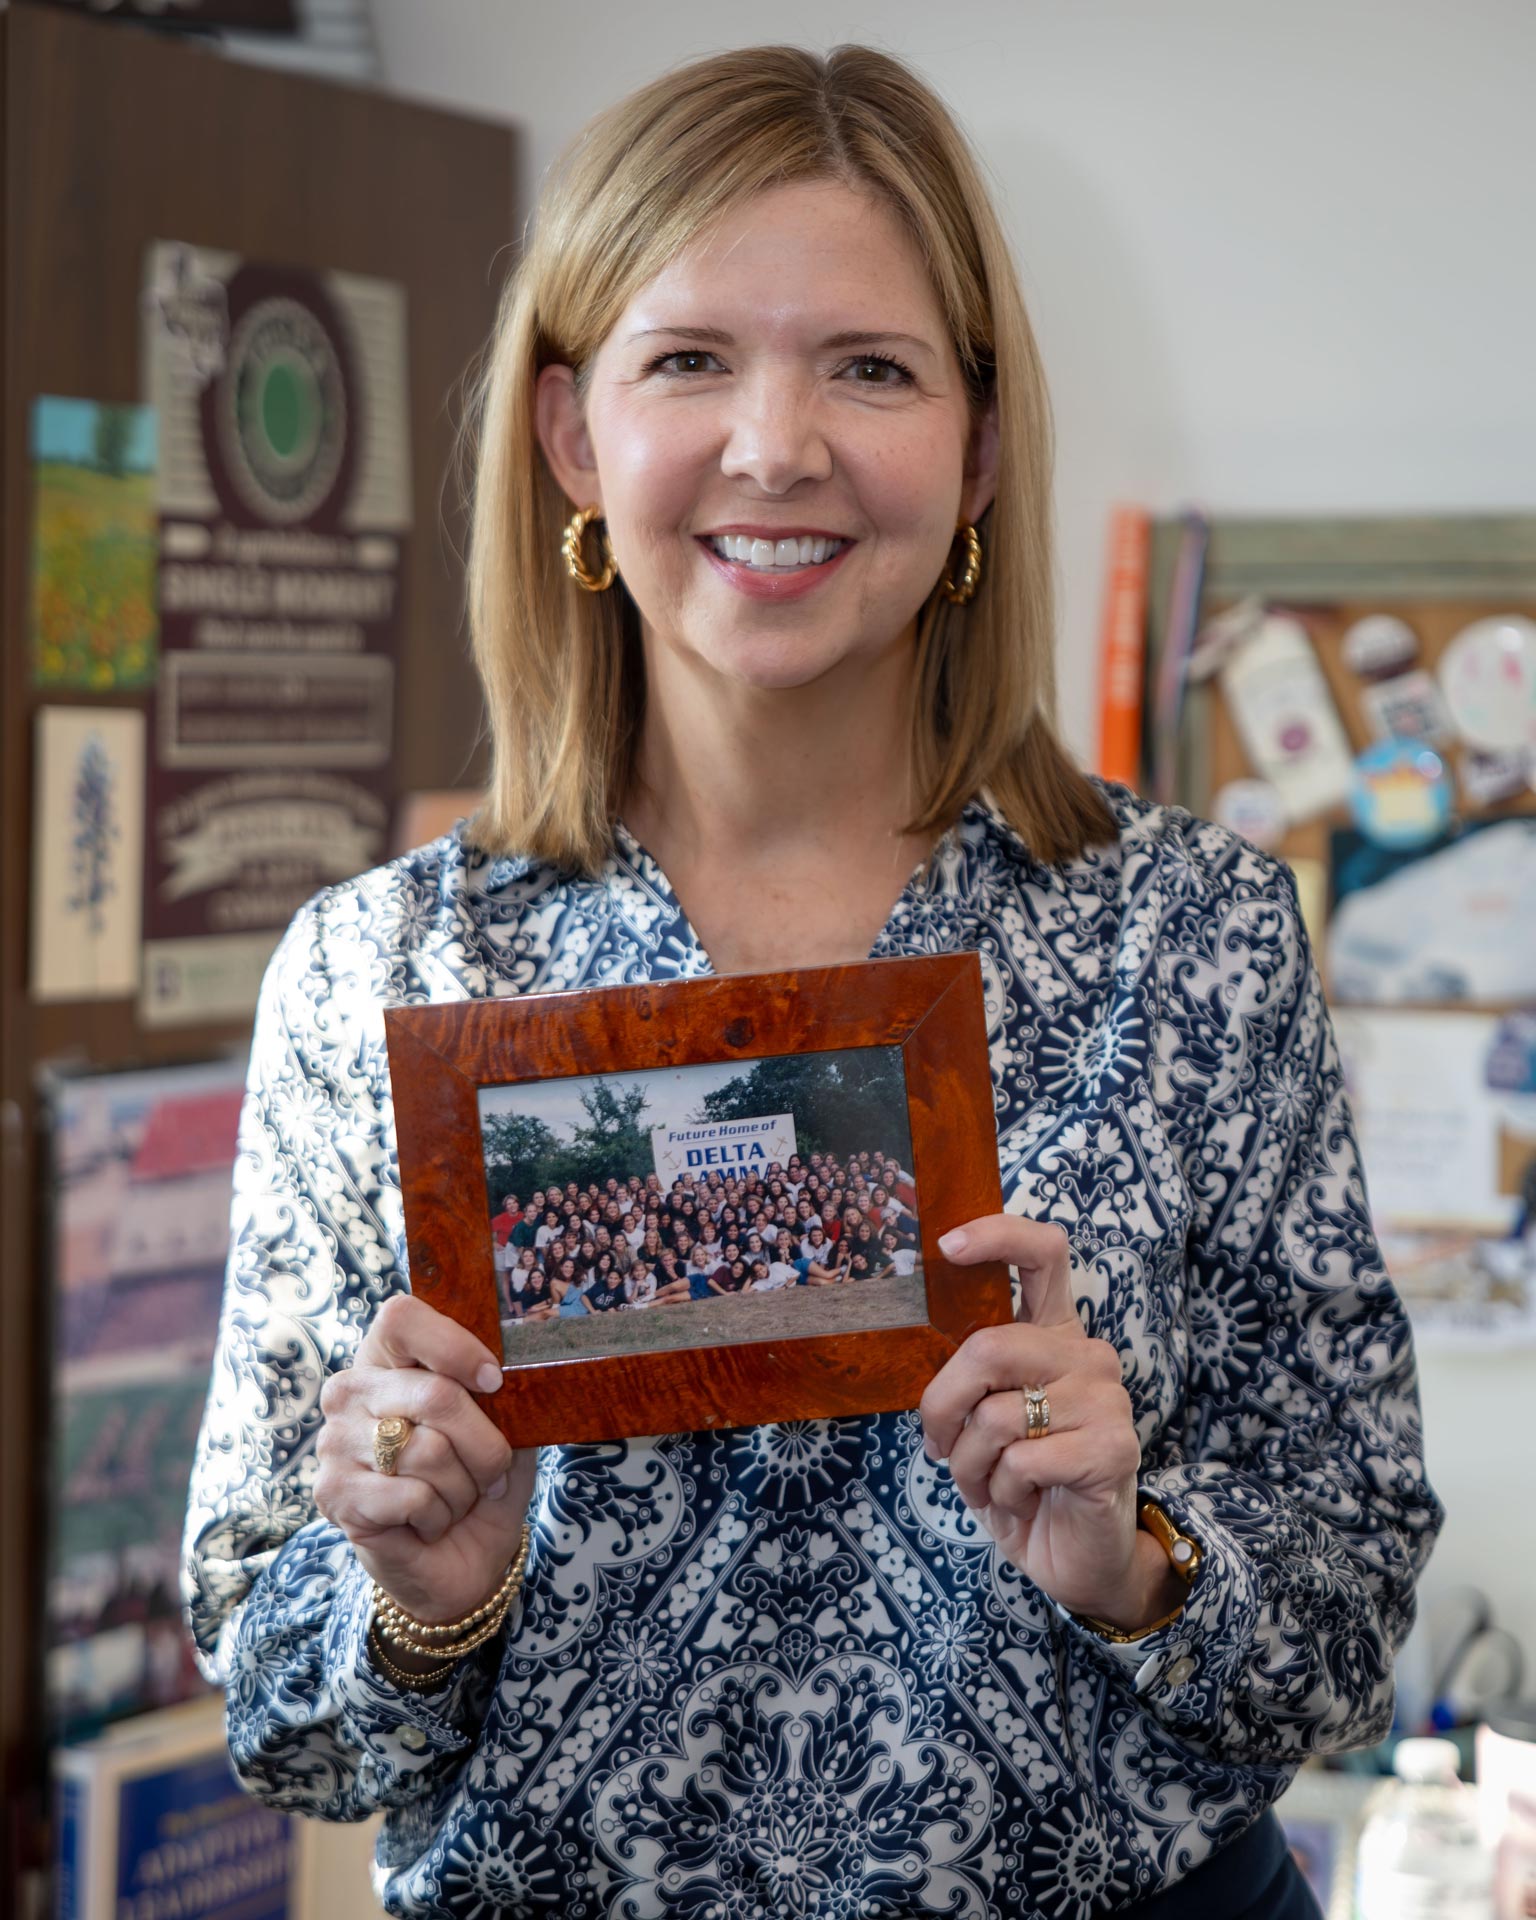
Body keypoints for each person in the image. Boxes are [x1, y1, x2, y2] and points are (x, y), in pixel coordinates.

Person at [184, 45, 1440, 1920]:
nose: (778, 447)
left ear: (982, 443)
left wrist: (1141, 1558)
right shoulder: (386, 971)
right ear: (570, 436)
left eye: (872, 365)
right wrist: (421, 1603)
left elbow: (1350, 1621)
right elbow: (273, 1706)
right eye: (689, 359)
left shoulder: (1192, 935)